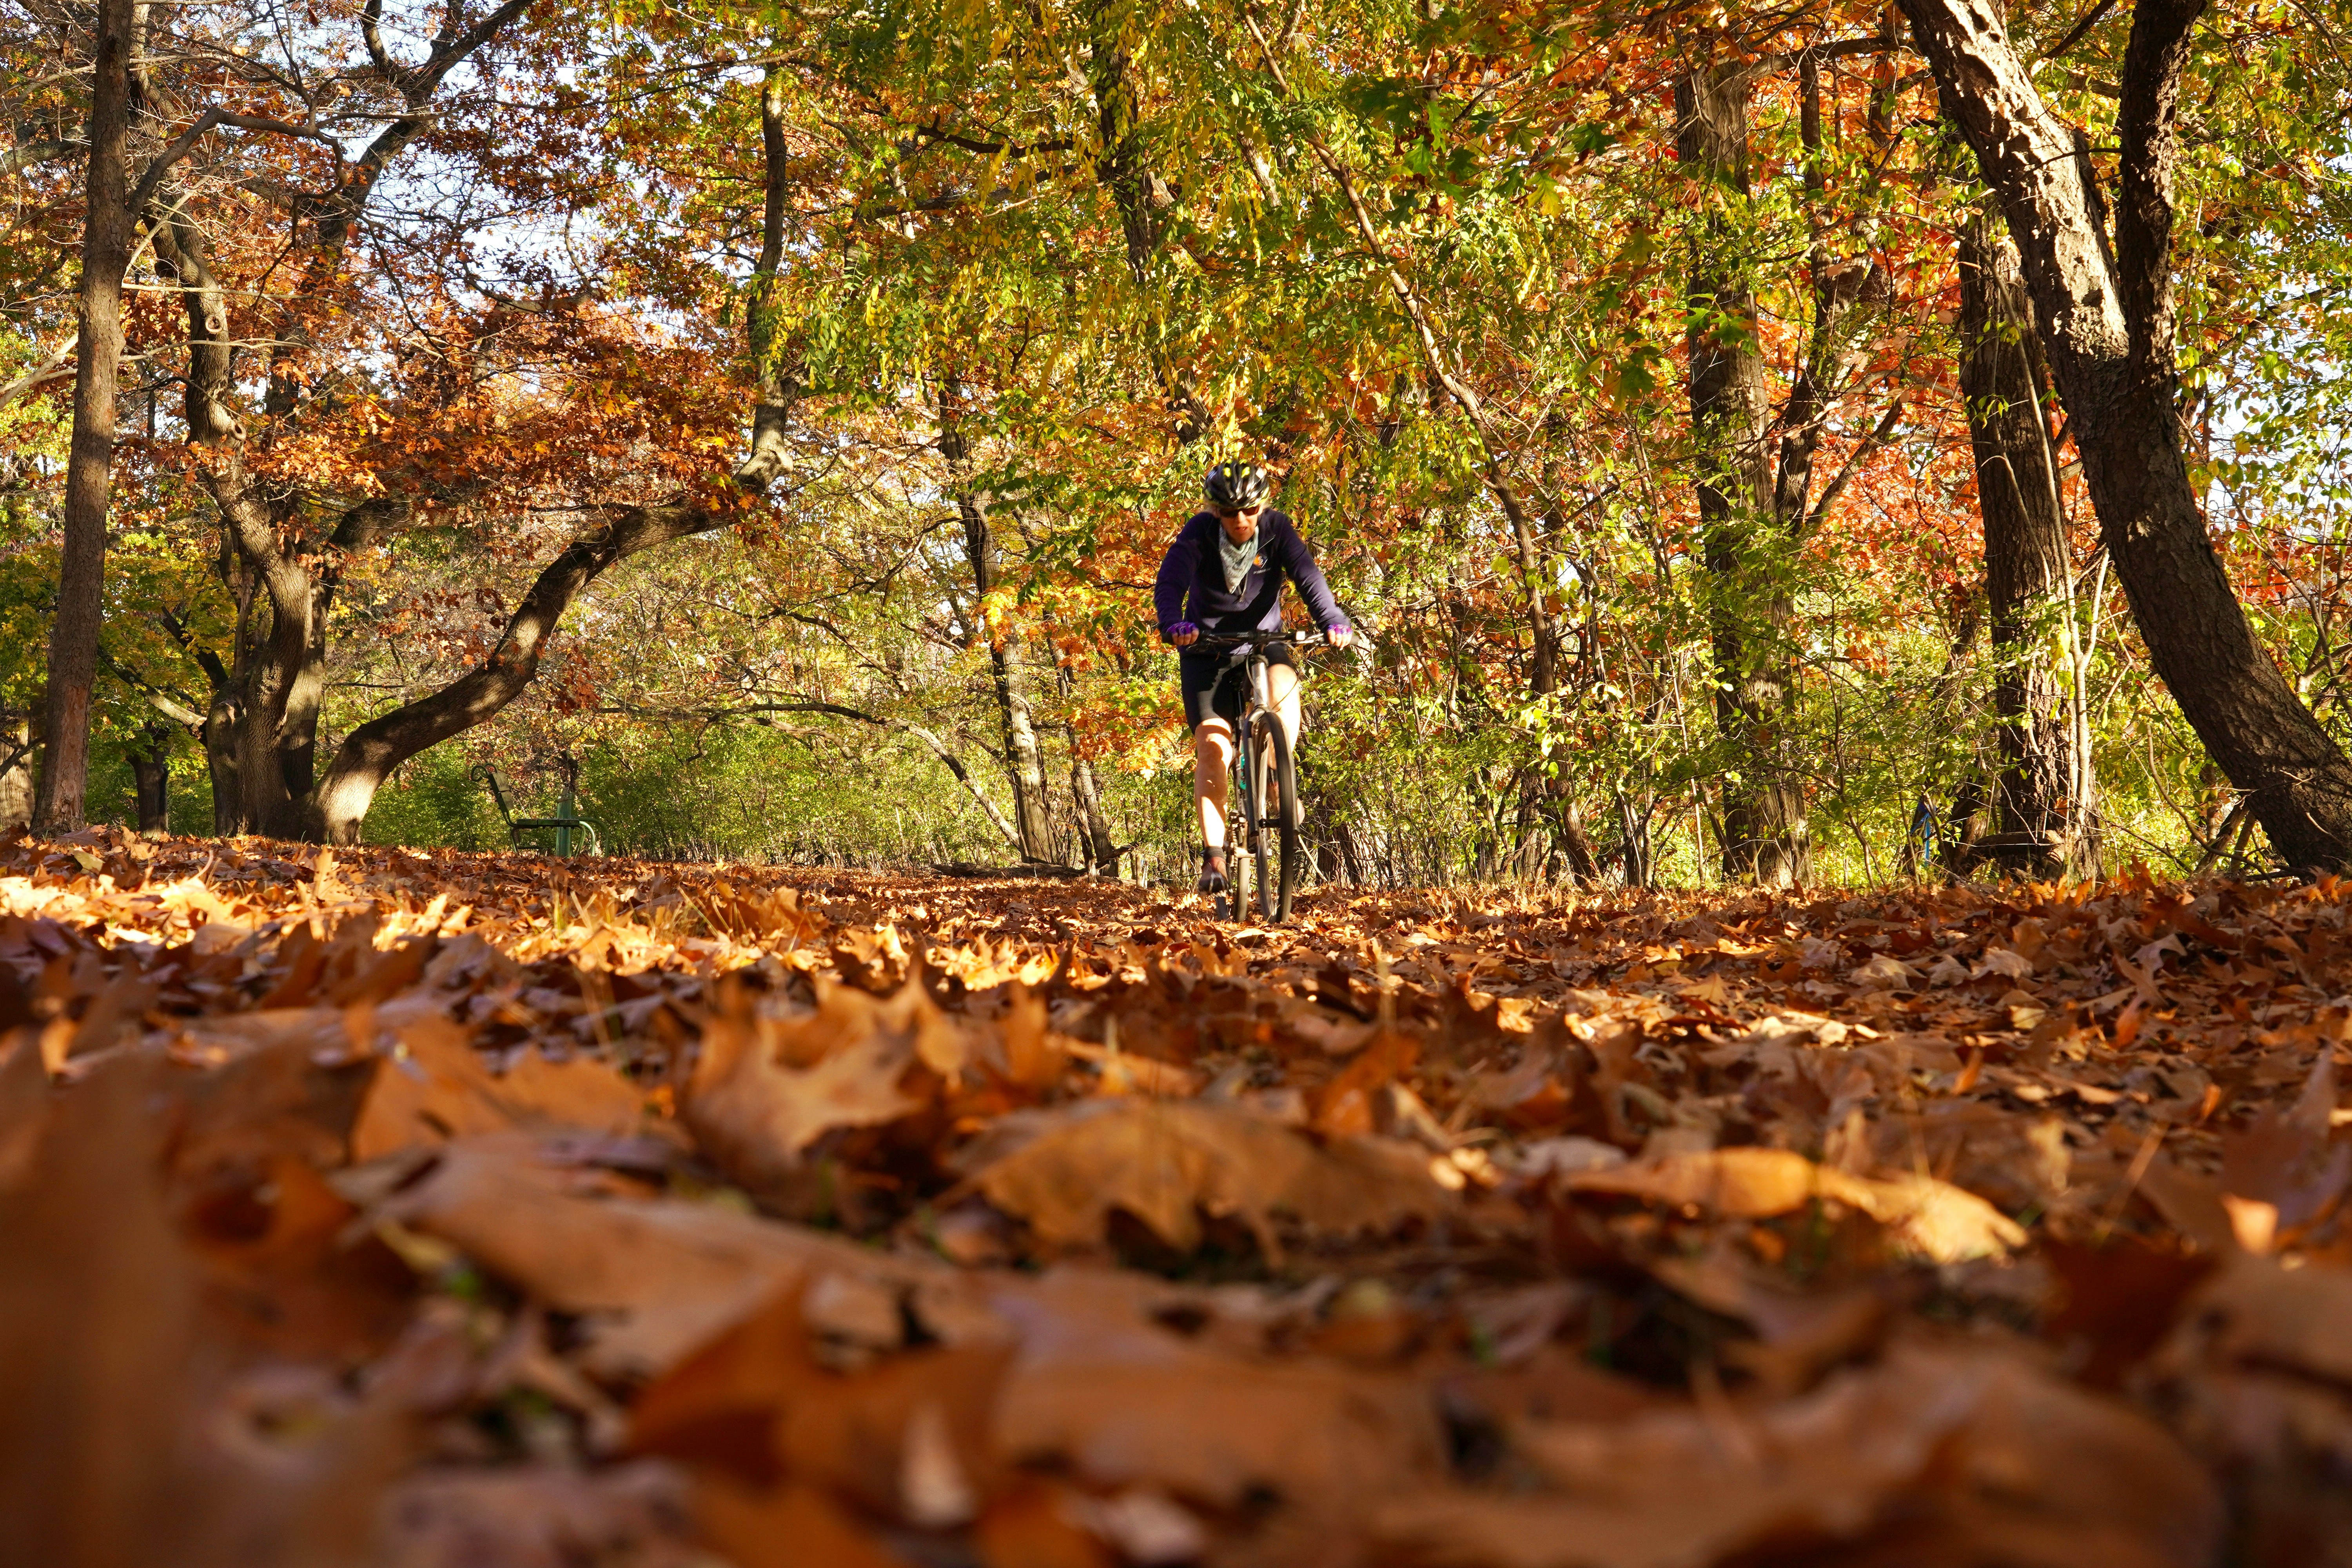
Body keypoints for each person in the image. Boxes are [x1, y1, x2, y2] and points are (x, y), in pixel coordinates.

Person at [1154, 462, 1352, 896]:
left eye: (1248, 510)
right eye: (1228, 512)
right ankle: (1215, 858)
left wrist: (1333, 619)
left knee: (1284, 690)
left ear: (1262, 506)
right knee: (1213, 749)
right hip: (1206, 649)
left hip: (1264, 643)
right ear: (1215, 512)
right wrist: (1173, 624)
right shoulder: (1199, 533)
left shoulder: (1278, 530)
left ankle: (1276, 774)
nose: (1240, 520)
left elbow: (1309, 579)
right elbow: (1169, 583)